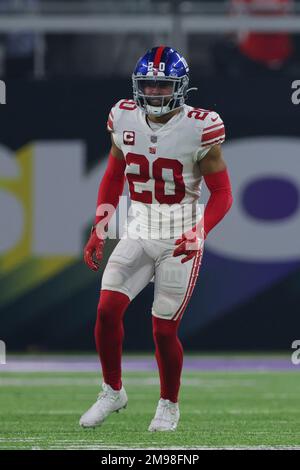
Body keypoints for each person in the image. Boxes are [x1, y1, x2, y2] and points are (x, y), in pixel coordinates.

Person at [79, 46, 233, 432]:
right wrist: (101, 226)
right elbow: (114, 176)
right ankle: (113, 390)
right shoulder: (124, 116)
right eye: (149, 85)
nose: (154, 93)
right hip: (139, 227)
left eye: (163, 87)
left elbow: (224, 193)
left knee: (163, 329)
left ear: (180, 88)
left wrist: (200, 230)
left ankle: (169, 405)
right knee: (106, 309)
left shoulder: (200, 126)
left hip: (180, 232)